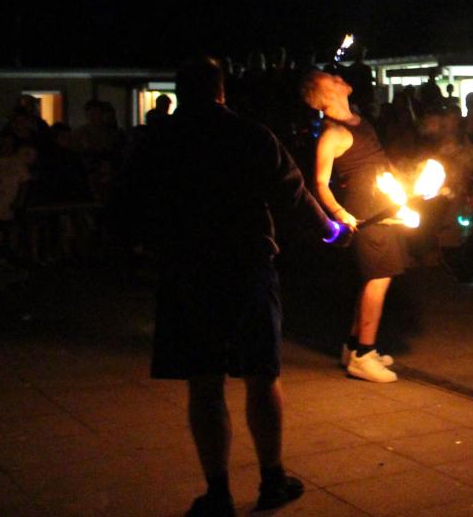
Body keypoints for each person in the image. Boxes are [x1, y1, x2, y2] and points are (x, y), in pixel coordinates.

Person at [132, 56, 331, 517]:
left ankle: (218, 492)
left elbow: (133, 201)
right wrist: (329, 230)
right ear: (221, 91)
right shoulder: (249, 134)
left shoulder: (158, 140)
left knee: (204, 382)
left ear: (180, 92)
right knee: (261, 375)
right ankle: (272, 479)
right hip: (246, 266)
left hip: (186, 270)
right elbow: (292, 192)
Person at [302, 70, 403, 383]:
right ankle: (363, 357)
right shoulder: (332, 133)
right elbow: (320, 182)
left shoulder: (358, 119)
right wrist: (340, 213)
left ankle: (353, 347)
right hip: (366, 211)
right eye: (330, 79)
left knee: (374, 277)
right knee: (379, 278)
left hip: (382, 205)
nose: (338, 77)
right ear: (326, 95)